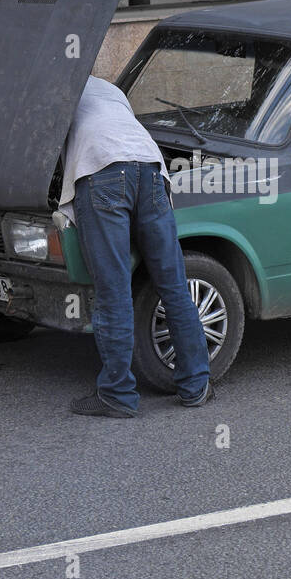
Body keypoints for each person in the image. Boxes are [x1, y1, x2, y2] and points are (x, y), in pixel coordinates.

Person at [61, 75, 213, 418]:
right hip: (150, 167)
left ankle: (117, 394)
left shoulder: (58, 87)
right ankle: (196, 384)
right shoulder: (109, 88)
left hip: (101, 167)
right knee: (173, 284)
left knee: (113, 289)